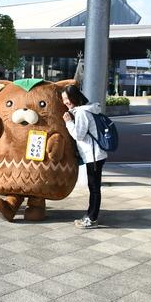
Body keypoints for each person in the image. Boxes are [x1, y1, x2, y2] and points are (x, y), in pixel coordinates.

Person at [61, 84, 107, 229]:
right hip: (97, 154)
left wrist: (68, 121)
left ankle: (91, 219)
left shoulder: (82, 112)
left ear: (74, 97)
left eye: (67, 98)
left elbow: (78, 135)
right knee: (94, 187)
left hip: (93, 155)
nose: (65, 102)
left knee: (94, 188)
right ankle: (90, 215)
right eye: (63, 99)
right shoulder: (89, 109)